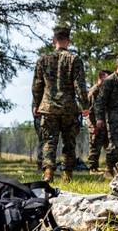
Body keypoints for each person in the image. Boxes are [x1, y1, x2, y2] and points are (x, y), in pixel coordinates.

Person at [31, 26, 88, 183]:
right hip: (69, 108)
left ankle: (48, 171)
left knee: (49, 141)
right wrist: (85, 105)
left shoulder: (43, 60)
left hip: (48, 108)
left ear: (54, 41)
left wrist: (36, 104)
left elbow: (37, 85)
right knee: (69, 143)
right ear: (68, 42)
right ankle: (67, 175)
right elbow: (79, 85)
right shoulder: (74, 59)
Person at [86, 69, 111, 173]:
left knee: (108, 146)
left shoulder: (105, 90)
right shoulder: (94, 91)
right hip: (96, 123)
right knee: (95, 146)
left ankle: (110, 167)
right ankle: (93, 168)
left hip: (105, 123)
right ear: (102, 77)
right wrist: (92, 126)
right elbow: (89, 111)